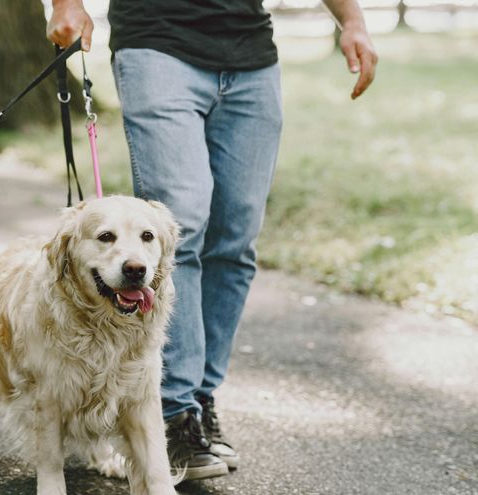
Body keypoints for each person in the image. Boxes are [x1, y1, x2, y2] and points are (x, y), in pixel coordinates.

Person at [47, 0, 377, 482]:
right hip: (157, 43)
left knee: (236, 237)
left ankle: (199, 397)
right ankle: (173, 411)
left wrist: (353, 20)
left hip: (250, 54)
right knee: (184, 227)